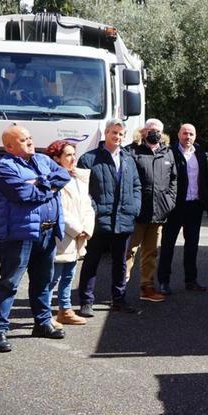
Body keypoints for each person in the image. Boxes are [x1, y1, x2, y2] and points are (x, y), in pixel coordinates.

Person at [0, 125, 71, 352]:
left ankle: (42, 323)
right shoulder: (2, 168)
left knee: (43, 281)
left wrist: (39, 183)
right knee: (9, 282)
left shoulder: (43, 160)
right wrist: (49, 186)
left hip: (47, 231)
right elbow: (23, 195)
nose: (30, 142)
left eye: (30, 138)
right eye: (24, 140)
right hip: (18, 234)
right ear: (9, 146)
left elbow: (63, 175)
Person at [77, 118, 142, 317]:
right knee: (92, 262)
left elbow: (136, 186)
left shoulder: (128, 159)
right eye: (114, 132)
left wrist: (134, 208)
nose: (117, 137)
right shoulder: (89, 159)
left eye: (121, 134)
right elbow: (83, 191)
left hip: (123, 220)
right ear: (105, 134)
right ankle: (86, 301)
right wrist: (94, 210)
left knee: (120, 263)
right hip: (99, 221)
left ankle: (119, 299)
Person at [124, 118, 177, 302]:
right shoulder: (131, 151)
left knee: (151, 252)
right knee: (129, 251)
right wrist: (131, 205)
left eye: (157, 130)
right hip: (137, 212)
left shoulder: (168, 153)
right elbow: (125, 181)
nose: (154, 133)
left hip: (159, 212)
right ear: (144, 131)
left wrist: (169, 201)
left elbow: (173, 180)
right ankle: (119, 289)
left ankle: (147, 288)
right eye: (150, 129)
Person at [45, 140, 95, 326]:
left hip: (77, 236)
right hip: (62, 234)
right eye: (68, 155)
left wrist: (87, 229)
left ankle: (65, 310)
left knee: (69, 276)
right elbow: (58, 210)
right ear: (57, 158)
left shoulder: (78, 178)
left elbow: (87, 206)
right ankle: (45, 314)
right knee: (53, 278)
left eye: (74, 154)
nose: (73, 158)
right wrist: (77, 229)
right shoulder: (53, 179)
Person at [158, 123, 208, 294]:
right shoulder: (170, 152)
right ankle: (164, 282)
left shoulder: (200, 153)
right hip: (175, 208)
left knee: (192, 246)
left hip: (194, 207)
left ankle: (191, 280)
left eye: (191, 134)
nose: (187, 137)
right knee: (168, 246)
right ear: (178, 135)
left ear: (195, 136)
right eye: (184, 133)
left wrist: (205, 201)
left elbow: (204, 179)